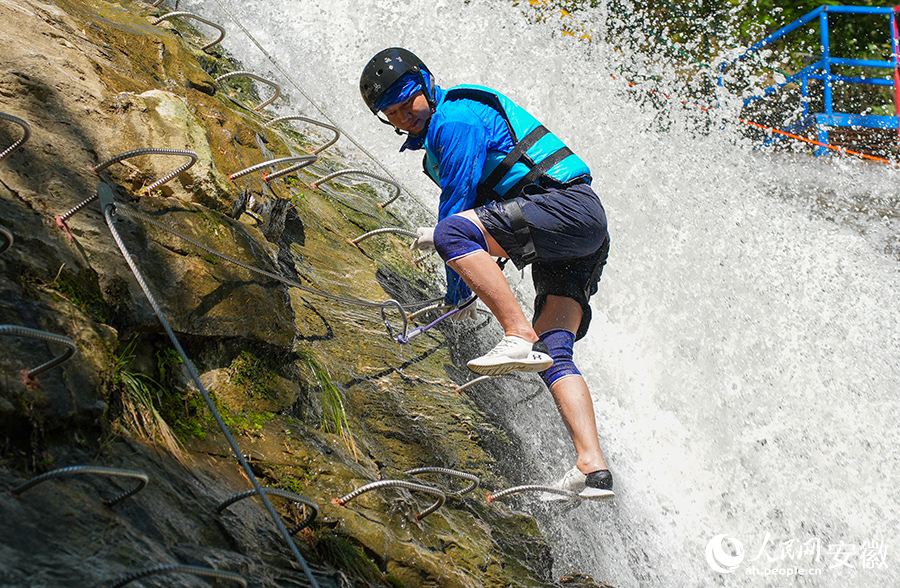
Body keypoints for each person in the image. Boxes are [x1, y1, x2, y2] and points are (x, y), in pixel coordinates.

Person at [360, 48, 613, 499]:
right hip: (582, 232)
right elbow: (488, 212)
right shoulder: (450, 121)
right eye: (392, 113)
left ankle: (516, 335)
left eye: (407, 103)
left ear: (426, 83)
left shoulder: (454, 120)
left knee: (452, 232)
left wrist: (456, 297)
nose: (403, 118)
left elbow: (457, 210)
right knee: (555, 349)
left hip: (567, 210)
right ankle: (592, 467)